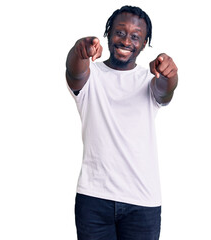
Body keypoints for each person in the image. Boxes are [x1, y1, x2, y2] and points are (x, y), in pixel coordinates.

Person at [65, 5, 178, 240]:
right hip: (94, 199)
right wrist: (81, 48)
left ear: (144, 43)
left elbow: (165, 91)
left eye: (135, 36)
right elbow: (74, 72)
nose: (126, 40)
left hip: (142, 202)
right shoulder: (91, 75)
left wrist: (170, 74)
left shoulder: (149, 80)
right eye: (120, 32)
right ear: (108, 33)